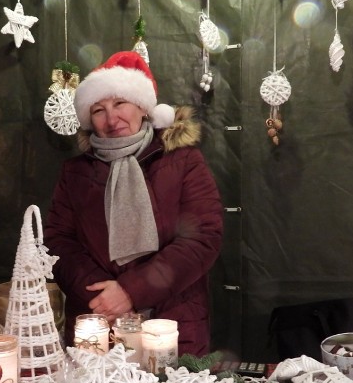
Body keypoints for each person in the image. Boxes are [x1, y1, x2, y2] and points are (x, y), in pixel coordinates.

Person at [44, 51, 223, 356]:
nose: (112, 119)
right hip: (99, 327)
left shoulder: (183, 161)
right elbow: (58, 242)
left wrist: (131, 290)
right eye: (98, 110)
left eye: (120, 103)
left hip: (172, 325)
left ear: (142, 105)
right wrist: (104, 295)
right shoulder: (75, 172)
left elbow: (203, 237)